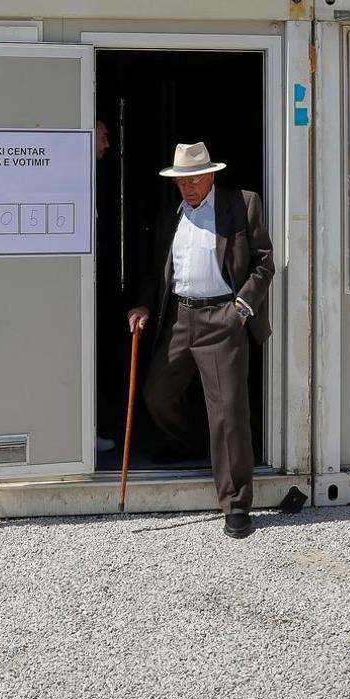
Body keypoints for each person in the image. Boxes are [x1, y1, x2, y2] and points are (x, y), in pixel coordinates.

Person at [128, 141, 274, 539]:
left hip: (223, 317)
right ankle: (193, 441)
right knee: (157, 394)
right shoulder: (169, 216)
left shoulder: (242, 204)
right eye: (182, 181)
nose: (189, 187)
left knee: (228, 412)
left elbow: (264, 261)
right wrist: (141, 306)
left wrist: (240, 309)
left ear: (211, 175)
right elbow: (155, 271)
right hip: (179, 316)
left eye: (195, 179)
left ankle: (237, 504)